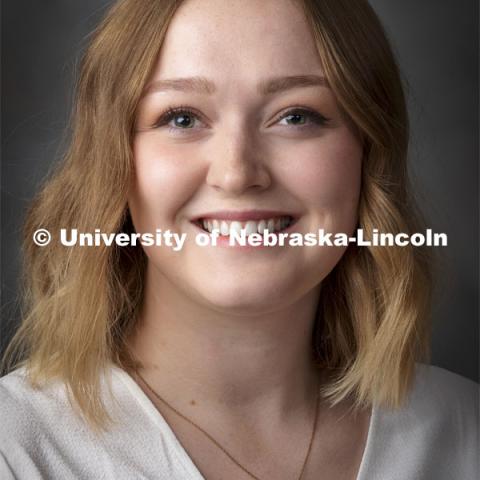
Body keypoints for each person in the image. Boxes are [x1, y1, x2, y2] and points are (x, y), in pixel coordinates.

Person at [0, 0, 477, 479]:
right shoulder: (16, 447)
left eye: (296, 116)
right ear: (114, 163)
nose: (236, 173)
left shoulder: (465, 433)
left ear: (368, 154)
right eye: (182, 118)